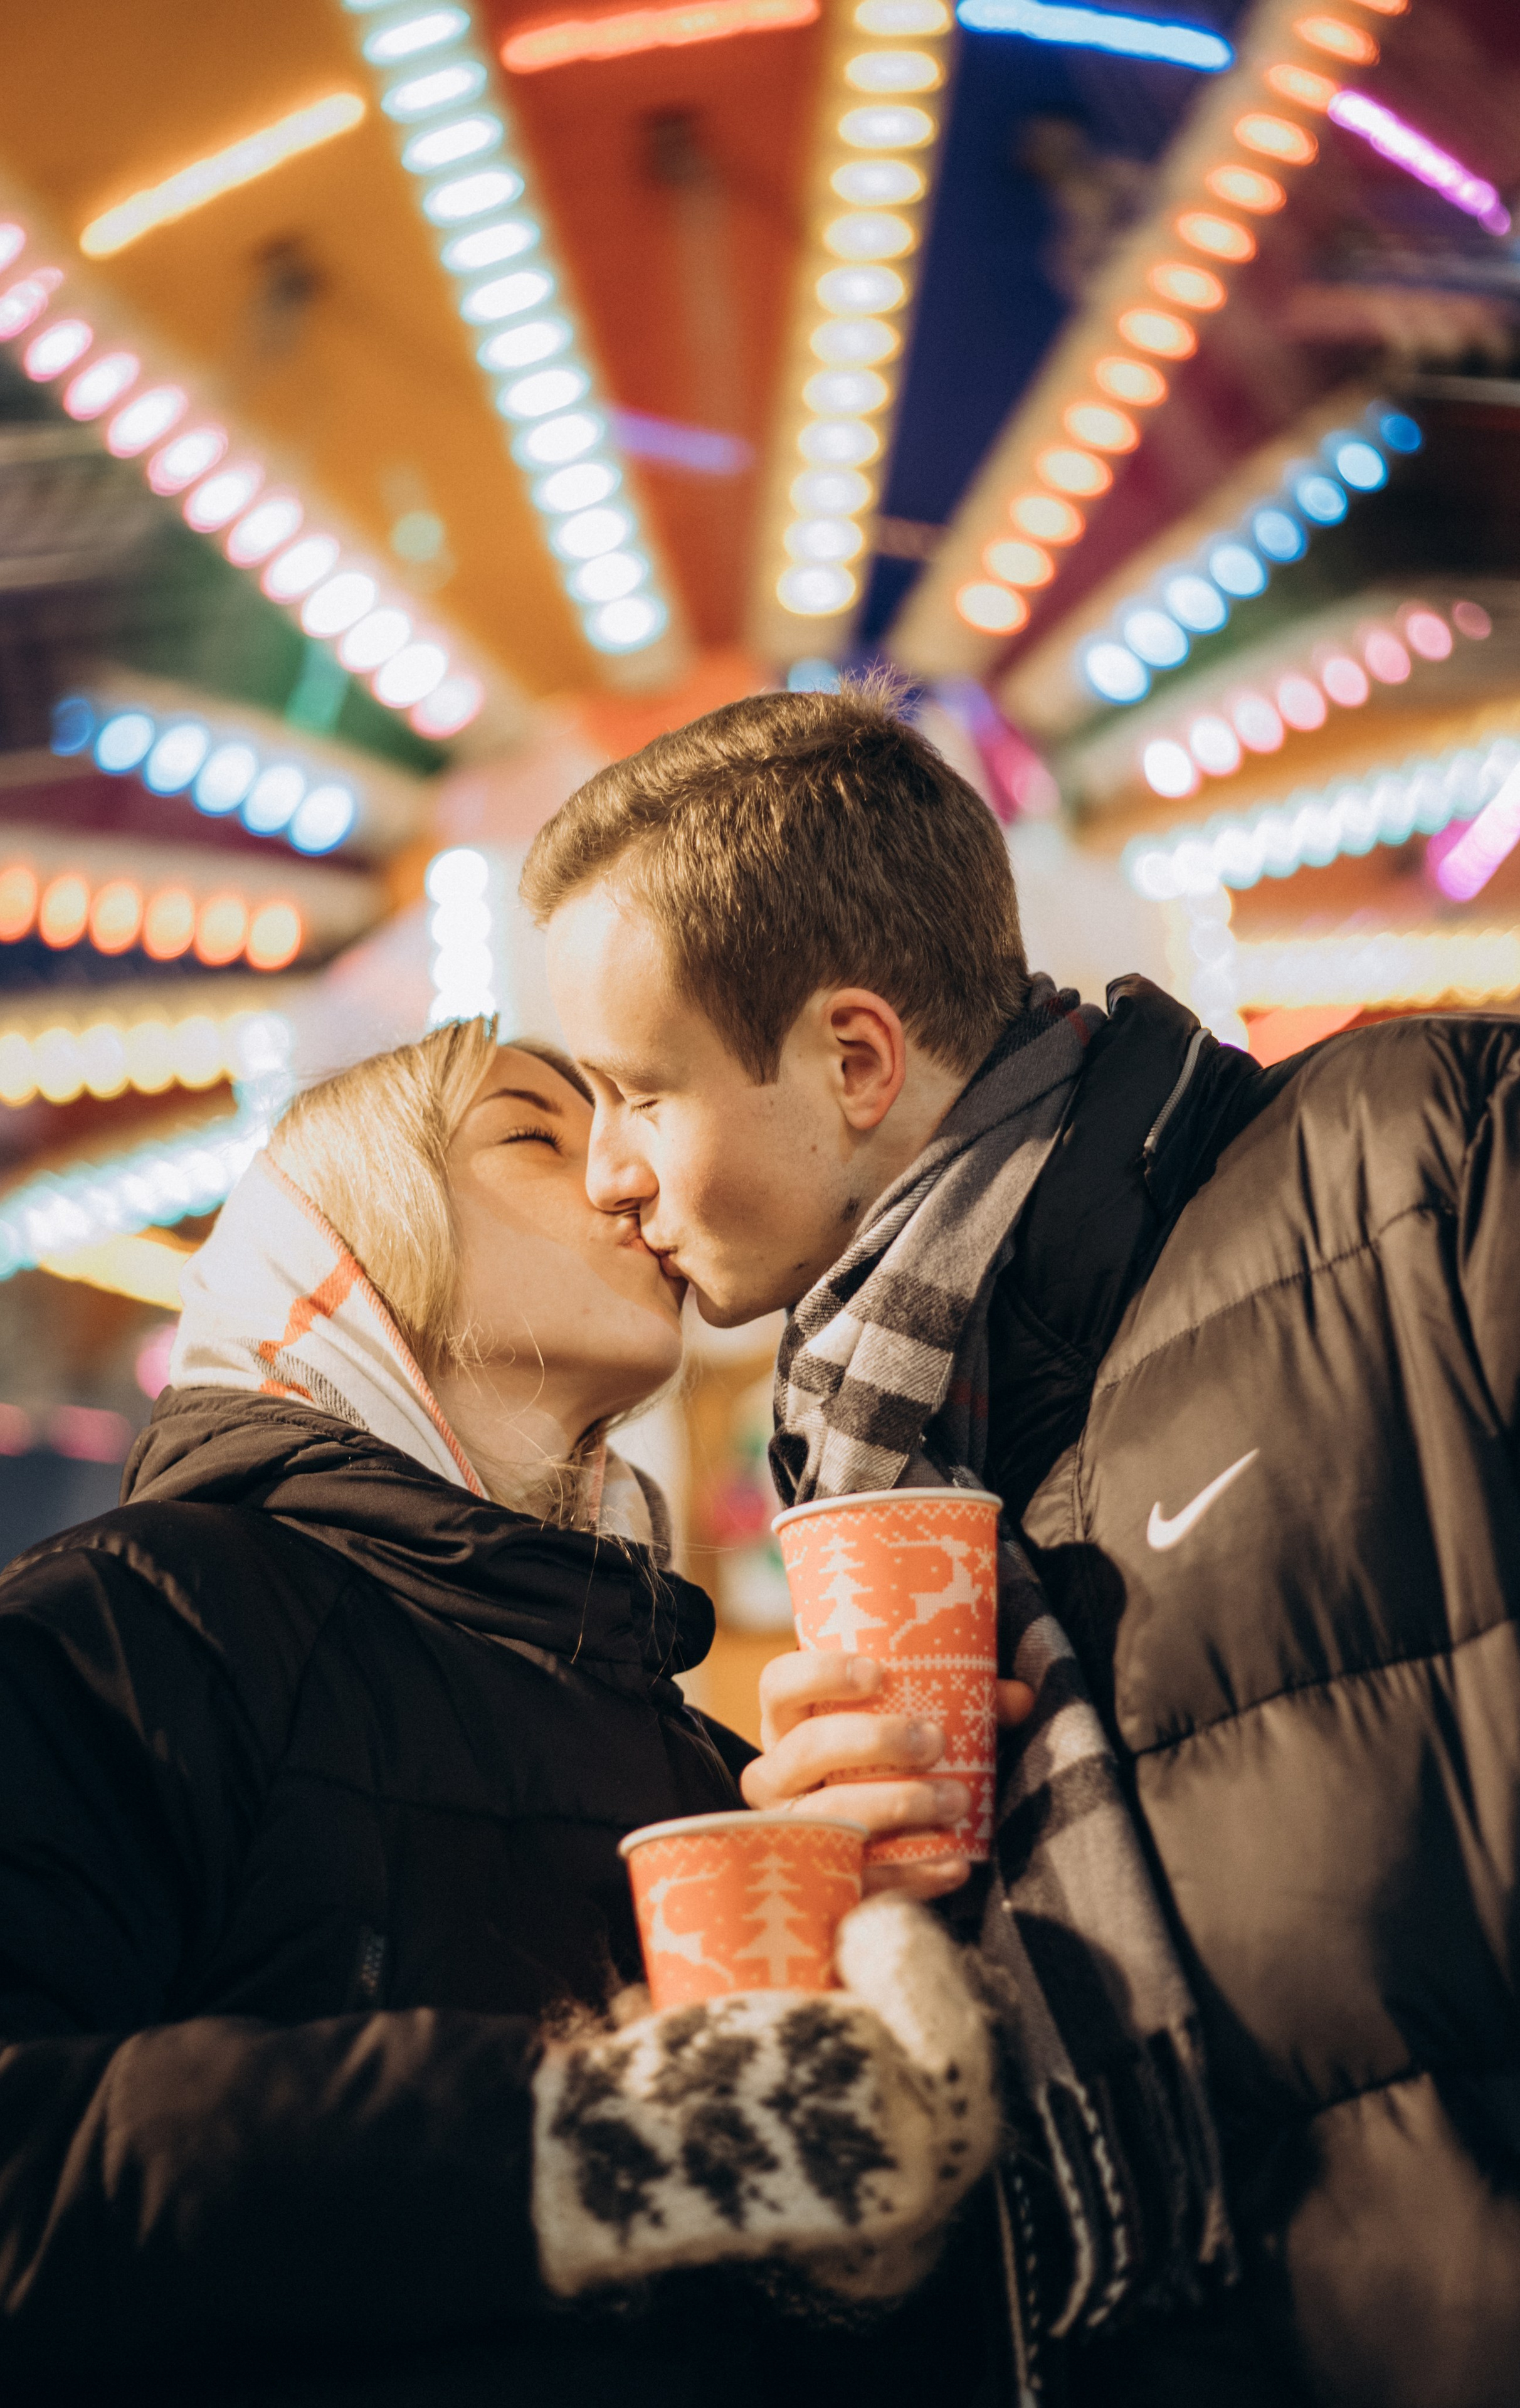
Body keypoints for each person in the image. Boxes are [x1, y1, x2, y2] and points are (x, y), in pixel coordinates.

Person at [524, 675, 1520, 2408]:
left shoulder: (1419, 1166)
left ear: (853, 1060)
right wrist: (889, 1906)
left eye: (634, 1092)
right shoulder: (893, 1438)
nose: (605, 1174)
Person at [0, 1019, 1003, 2408]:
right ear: (353, 1246)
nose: (623, 1177)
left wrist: (872, 2101)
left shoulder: (686, 1750)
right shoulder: (135, 1628)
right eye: (534, 1135)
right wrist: (580, 2141)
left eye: (623, 1124)